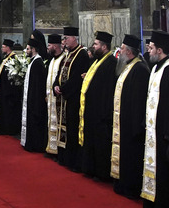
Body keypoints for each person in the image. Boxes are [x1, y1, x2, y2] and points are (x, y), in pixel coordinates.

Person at [141, 31, 169, 208]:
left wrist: (168, 131)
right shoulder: (157, 67)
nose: (148, 51)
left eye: (150, 48)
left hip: (163, 130)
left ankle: (163, 205)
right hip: (152, 127)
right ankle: (151, 200)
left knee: (163, 169)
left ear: (160, 49)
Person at [111, 34, 150, 199]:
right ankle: (122, 182)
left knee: (131, 156)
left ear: (129, 51)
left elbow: (139, 100)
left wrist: (135, 126)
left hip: (131, 124)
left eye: (122, 48)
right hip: (122, 121)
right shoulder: (128, 66)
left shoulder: (140, 69)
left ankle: (131, 187)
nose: (120, 51)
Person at [80, 31, 117, 181]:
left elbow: (108, 89)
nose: (93, 47)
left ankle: (101, 173)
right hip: (92, 111)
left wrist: (103, 113)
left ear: (104, 46)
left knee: (101, 144)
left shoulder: (111, 63)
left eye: (96, 44)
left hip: (101, 113)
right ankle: (90, 169)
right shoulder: (97, 61)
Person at [54, 26, 91, 172]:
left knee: (72, 129)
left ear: (74, 38)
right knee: (63, 127)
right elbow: (60, 72)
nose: (64, 41)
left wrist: (63, 89)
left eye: (66, 38)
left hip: (73, 99)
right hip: (64, 98)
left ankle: (73, 160)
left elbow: (77, 78)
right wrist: (56, 85)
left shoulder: (81, 54)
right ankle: (63, 156)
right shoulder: (68, 54)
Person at [20, 31, 48, 152]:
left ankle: (34, 144)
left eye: (28, 49)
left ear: (33, 49)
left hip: (35, 100)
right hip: (30, 99)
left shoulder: (38, 63)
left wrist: (33, 100)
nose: (26, 51)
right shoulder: (34, 61)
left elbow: (38, 86)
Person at [0, 39, 22, 134]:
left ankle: (8, 128)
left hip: (8, 92)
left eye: (3, 47)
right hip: (3, 89)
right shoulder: (6, 58)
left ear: (8, 48)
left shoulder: (13, 58)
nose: (2, 48)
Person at [44, 34, 66, 159]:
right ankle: (51, 147)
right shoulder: (52, 60)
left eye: (50, 45)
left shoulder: (63, 59)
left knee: (58, 124)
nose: (48, 48)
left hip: (59, 99)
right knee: (50, 122)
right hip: (50, 98)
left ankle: (58, 149)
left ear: (56, 46)